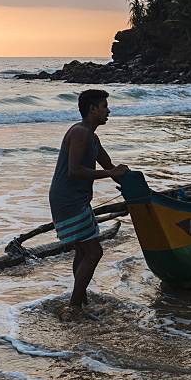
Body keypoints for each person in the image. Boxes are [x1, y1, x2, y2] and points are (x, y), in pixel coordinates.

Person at [49, 89, 129, 311]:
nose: (108, 111)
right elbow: (75, 170)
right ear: (92, 109)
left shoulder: (93, 137)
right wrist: (111, 174)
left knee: (83, 251)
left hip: (77, 199)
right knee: (94, 251)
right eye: (104, 106)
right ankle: (74, 305)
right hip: (67, 199)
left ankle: (80, 300)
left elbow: (110, 167)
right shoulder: (80, 132)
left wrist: (127, 180)